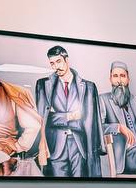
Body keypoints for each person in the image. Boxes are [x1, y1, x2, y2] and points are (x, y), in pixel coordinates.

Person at [34, 45, 103, 178]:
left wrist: (57, 117)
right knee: (57, 187)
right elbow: (43, 118)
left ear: (67, 60)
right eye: (52, 63)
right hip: (55, 147)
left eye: (58, 61)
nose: (56, 67)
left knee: (81, 185)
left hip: (80, 146)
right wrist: (69, 116)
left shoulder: (88, 87)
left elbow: (90, 120)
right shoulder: (43, 85)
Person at [100, 61, 136, 177]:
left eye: (123, 76)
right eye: (115, 76)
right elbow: (97, 128)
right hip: (126, 155)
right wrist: (119, 127)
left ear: (128, 79)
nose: (119, 81)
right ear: (110, 79)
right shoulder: (103, 100)